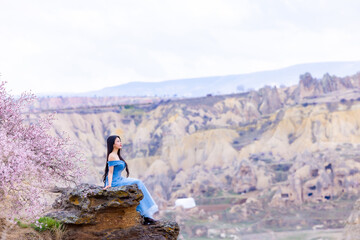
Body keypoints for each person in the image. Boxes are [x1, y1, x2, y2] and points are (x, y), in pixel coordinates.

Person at [102, 135, 158, 225]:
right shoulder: (112, 156)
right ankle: (144, 213)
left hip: (120, 179)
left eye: (120, 141)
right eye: (118, 141)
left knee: (138, 183)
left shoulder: (117, 155)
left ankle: (144, 213)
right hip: (115, 181)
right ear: (112, 144)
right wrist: (108, 184)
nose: (120, 143)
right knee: (138, 182)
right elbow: (110, 172)